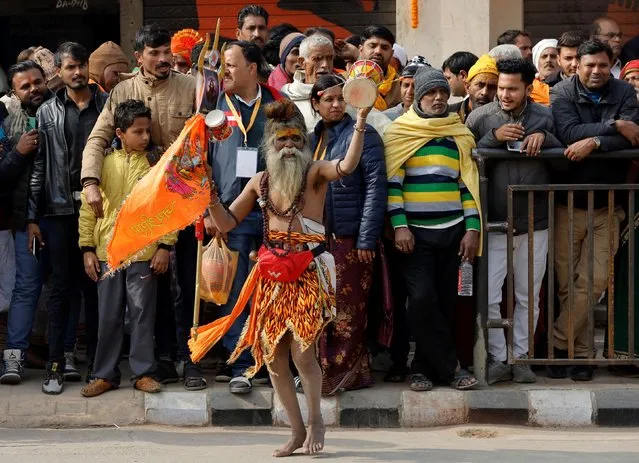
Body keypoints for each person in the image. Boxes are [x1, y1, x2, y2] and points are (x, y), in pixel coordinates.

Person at [191, 98, 373, 456]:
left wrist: (362, 121)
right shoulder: (259, 182)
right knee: (273, 359)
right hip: (272, 276)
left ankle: (317, 418)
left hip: (310, 272)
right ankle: (296, 430)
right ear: (270, 146)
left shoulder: (317, 173)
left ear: (304, 145)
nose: (289, 147)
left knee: (304, 356)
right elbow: (227, 223)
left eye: (295, 140)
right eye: (281, 141)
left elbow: (349, 166)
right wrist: (210, 198)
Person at [81, 24, 196, 388]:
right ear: (139, 57)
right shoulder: (122, 91)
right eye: (155, 53)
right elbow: (97, 139)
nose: (164, 60)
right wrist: (91, 182)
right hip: (124, 225)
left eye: (167, 52)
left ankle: (181, 363)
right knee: (118, 309)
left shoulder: (192, 87)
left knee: (182, 291)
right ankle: (118, 371)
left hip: (179, 203)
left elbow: (203, 141)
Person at [383, 67, 481, 392]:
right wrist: (400, 227)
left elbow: (467, 186)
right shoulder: (400, 134)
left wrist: (472, 229)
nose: (438, 98)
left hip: (454, 234)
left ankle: (422, 368)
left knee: (449, 301)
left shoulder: (459, 134)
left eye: (442, 93)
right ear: (418, 97)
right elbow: (393, 186)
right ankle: (452, 368)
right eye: (430, 93)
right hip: (415, 236)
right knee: (422, 299)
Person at [465, 58, 562, 384]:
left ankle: (521, 358)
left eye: (511, 89)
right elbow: (464, 160)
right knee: (489, 296)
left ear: (528, 88)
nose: (503, 95)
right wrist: (492, 137)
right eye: (501, 88)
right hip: (493, 222)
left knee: (527, 297)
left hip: (536, 221)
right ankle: (497, 357)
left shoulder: (547, 116)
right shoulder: (480, 117)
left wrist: (546, 141)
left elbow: (566, 162)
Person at [549, 39, 639, 381]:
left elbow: (634, 136)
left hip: (608, 205)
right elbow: (568, 132)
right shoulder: (561, 93)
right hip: (566, 204)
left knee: (594, 281)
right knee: (566, 284)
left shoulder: (624, 93)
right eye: (589, 65)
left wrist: (597, 140)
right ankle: (580, 355)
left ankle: (558, 343)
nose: (596, 71)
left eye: (602, 65)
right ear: (576, 65)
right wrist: (613, 127)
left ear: (610, 63)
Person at [25, 42, 107, 394]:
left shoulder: (106, 105)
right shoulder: (47, 111)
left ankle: (99, 368)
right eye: (70, 67)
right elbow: (39, 167)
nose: (77, 72)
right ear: (58, 70)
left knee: (98, 289)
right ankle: (56, 366)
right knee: (61, 288)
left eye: (81, 65)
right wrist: (32, 216)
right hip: (58, 211)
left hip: (100, 208)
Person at [78, 100, 175, 397]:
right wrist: (87, 248)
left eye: (147, 131)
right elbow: (88, 209)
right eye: (138, 132)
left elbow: (168, 207)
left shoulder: (155, 164)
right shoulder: (104, 164)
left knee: (142, 314)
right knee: (108, 315)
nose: (145, 137)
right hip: (108, 253)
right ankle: (105, 373)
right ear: (120, 132)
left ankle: (143, 372)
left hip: (144, 253)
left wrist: (164, 246)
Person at [207, 41, 283, 394]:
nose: (226, 72)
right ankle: (241, 364)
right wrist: (207, 211)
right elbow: (200, 160)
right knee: (235, 291)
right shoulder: (213, 106)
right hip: (229, 213)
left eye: (232, 65)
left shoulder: (278, 106)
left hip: (272, 213)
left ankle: (273, 361)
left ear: (252, 68)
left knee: (271, 290)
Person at [309, 75, 386, 394]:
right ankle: (319, 373)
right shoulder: (309, 138)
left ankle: (348, 374)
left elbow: (375, 187)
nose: (336, 104)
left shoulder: (365, 135)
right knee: (317, 307)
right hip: (314, 237)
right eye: (328, 99)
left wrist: (367, 236)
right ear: (315, 103)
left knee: (348, 308)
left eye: (341, 98)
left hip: (349, 235)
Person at [0, 61, 51, 385]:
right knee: (26, 288)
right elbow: (2, 179)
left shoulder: (61, 112)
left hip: (62, 217)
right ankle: (14, 356)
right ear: (15, 92)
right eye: (25, 86)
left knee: (64, 288)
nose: (33, 89)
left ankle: (63, 354)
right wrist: (18, 152)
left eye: (37, 82)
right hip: (24, 221)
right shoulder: (7, 124)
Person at [281, 34, 391, 135]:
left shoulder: (347, 93)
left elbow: (384, 127)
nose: (325, 65)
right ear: (301, 62)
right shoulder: (287, 95)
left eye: (329, 58)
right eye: (317, 59)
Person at [358, 25, 401, 110]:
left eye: (384, 48)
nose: (378, 51)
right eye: (372, 46)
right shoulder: (344, 80)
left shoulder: (401, 85)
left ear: (392, 53)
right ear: (361, 49)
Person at [449, 54, 498, 123]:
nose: (484, 92)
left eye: (492, 87)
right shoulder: (449, 114)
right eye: (480, 85)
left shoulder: (501, 120)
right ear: (467, 87)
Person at [384, 56, 430, 121]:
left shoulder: (436, 118)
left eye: (415, 86)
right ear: (400, 86)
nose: (409, 91)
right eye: (406, 85)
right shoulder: (386, 118)